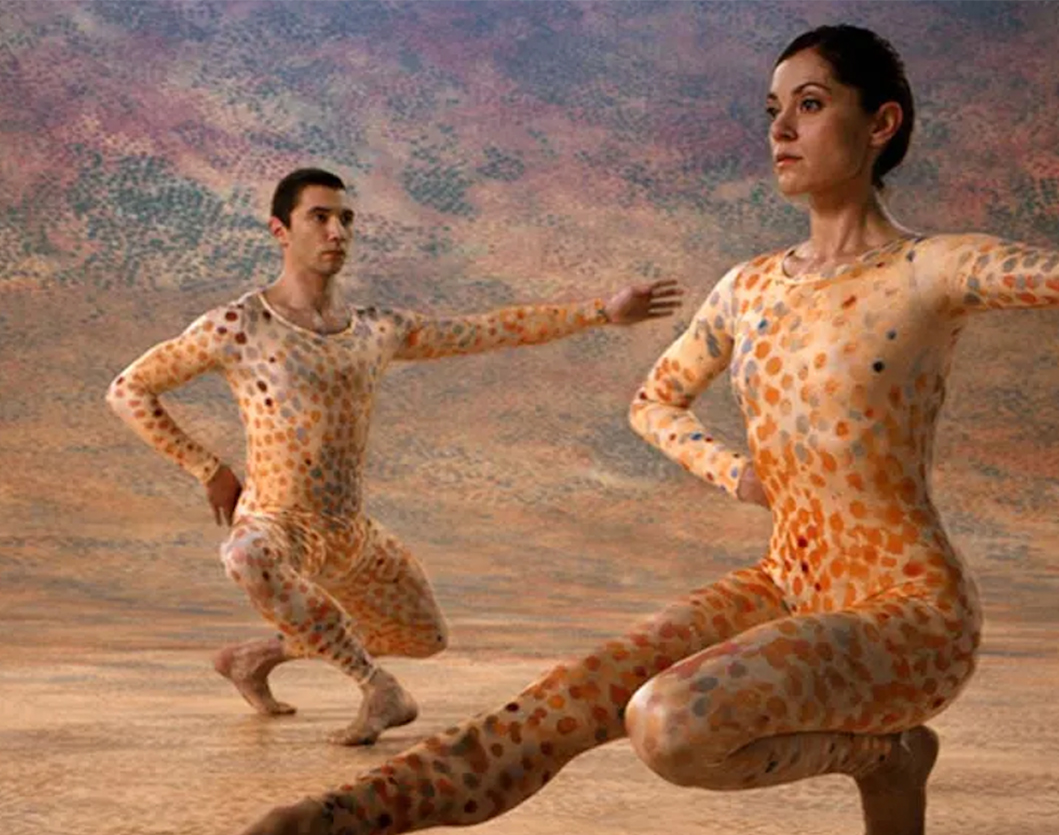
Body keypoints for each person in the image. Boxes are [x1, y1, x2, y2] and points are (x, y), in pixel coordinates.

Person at [226, 25, 1059, 835]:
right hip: (784, 578)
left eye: (810, 106)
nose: (781, 128)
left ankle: (883, 755)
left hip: (903, 610)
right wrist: (729, 468)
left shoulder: (932, 271)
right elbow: (652, 400)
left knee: (669, 722)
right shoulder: (747, 285)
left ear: (883, 122)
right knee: (564, 700)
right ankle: (319, 826)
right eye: (772, 110)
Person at [106, 168, 682, 746]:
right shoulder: (237, 325)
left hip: (350, 533)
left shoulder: (375, 330)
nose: (338, 232)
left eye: (347, 219)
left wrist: (602, 312)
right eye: (320, 217)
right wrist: (209, 468)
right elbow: (128, 389)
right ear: (280, 230)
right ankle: (377, 687)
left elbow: (486, 330)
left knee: (424, 637)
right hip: (277, 524)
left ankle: (256, 658)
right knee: (244, 554)